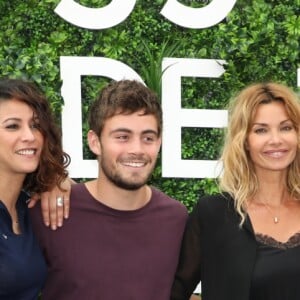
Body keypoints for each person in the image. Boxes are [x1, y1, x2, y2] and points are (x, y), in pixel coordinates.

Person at [30, 79, 189, 300]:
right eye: (122, 137)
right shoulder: (51, 211)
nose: (137, 149)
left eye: (148, 138)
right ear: (95, 142)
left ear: (159, 143)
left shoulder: (177, 219)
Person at [171, 82, 300, 300]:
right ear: (245, 141)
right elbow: (175, 291)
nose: (276, 140)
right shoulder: (214, 214)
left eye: (286, 127)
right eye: (261, 130)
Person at [0, 78, 70, 299]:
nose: (30, 137)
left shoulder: (24, 206)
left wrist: (58, 182)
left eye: (35, 125)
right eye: (12, 126)